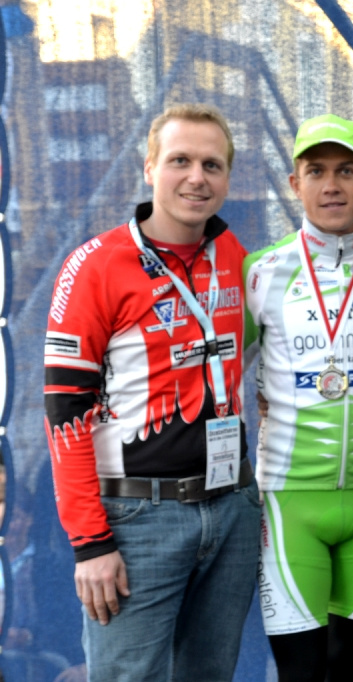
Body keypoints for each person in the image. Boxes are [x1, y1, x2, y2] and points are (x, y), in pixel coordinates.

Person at [42, 103, 260, 680]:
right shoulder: (95, 266)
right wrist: (90, 542)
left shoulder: (236, 257)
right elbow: (63, 410)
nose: (196, 177)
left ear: (228, 178)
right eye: (179, 160)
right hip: (138, 518)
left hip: (231, 508)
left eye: (212, 165)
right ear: (149, 168)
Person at [243, 114, 353, 681]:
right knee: (300, 675)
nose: (331, 185)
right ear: (295, 184)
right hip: (290, 502)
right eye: (316, 171)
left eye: (346, 171)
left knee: (349, 671)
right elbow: (217, 369)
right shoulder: (262, 272)